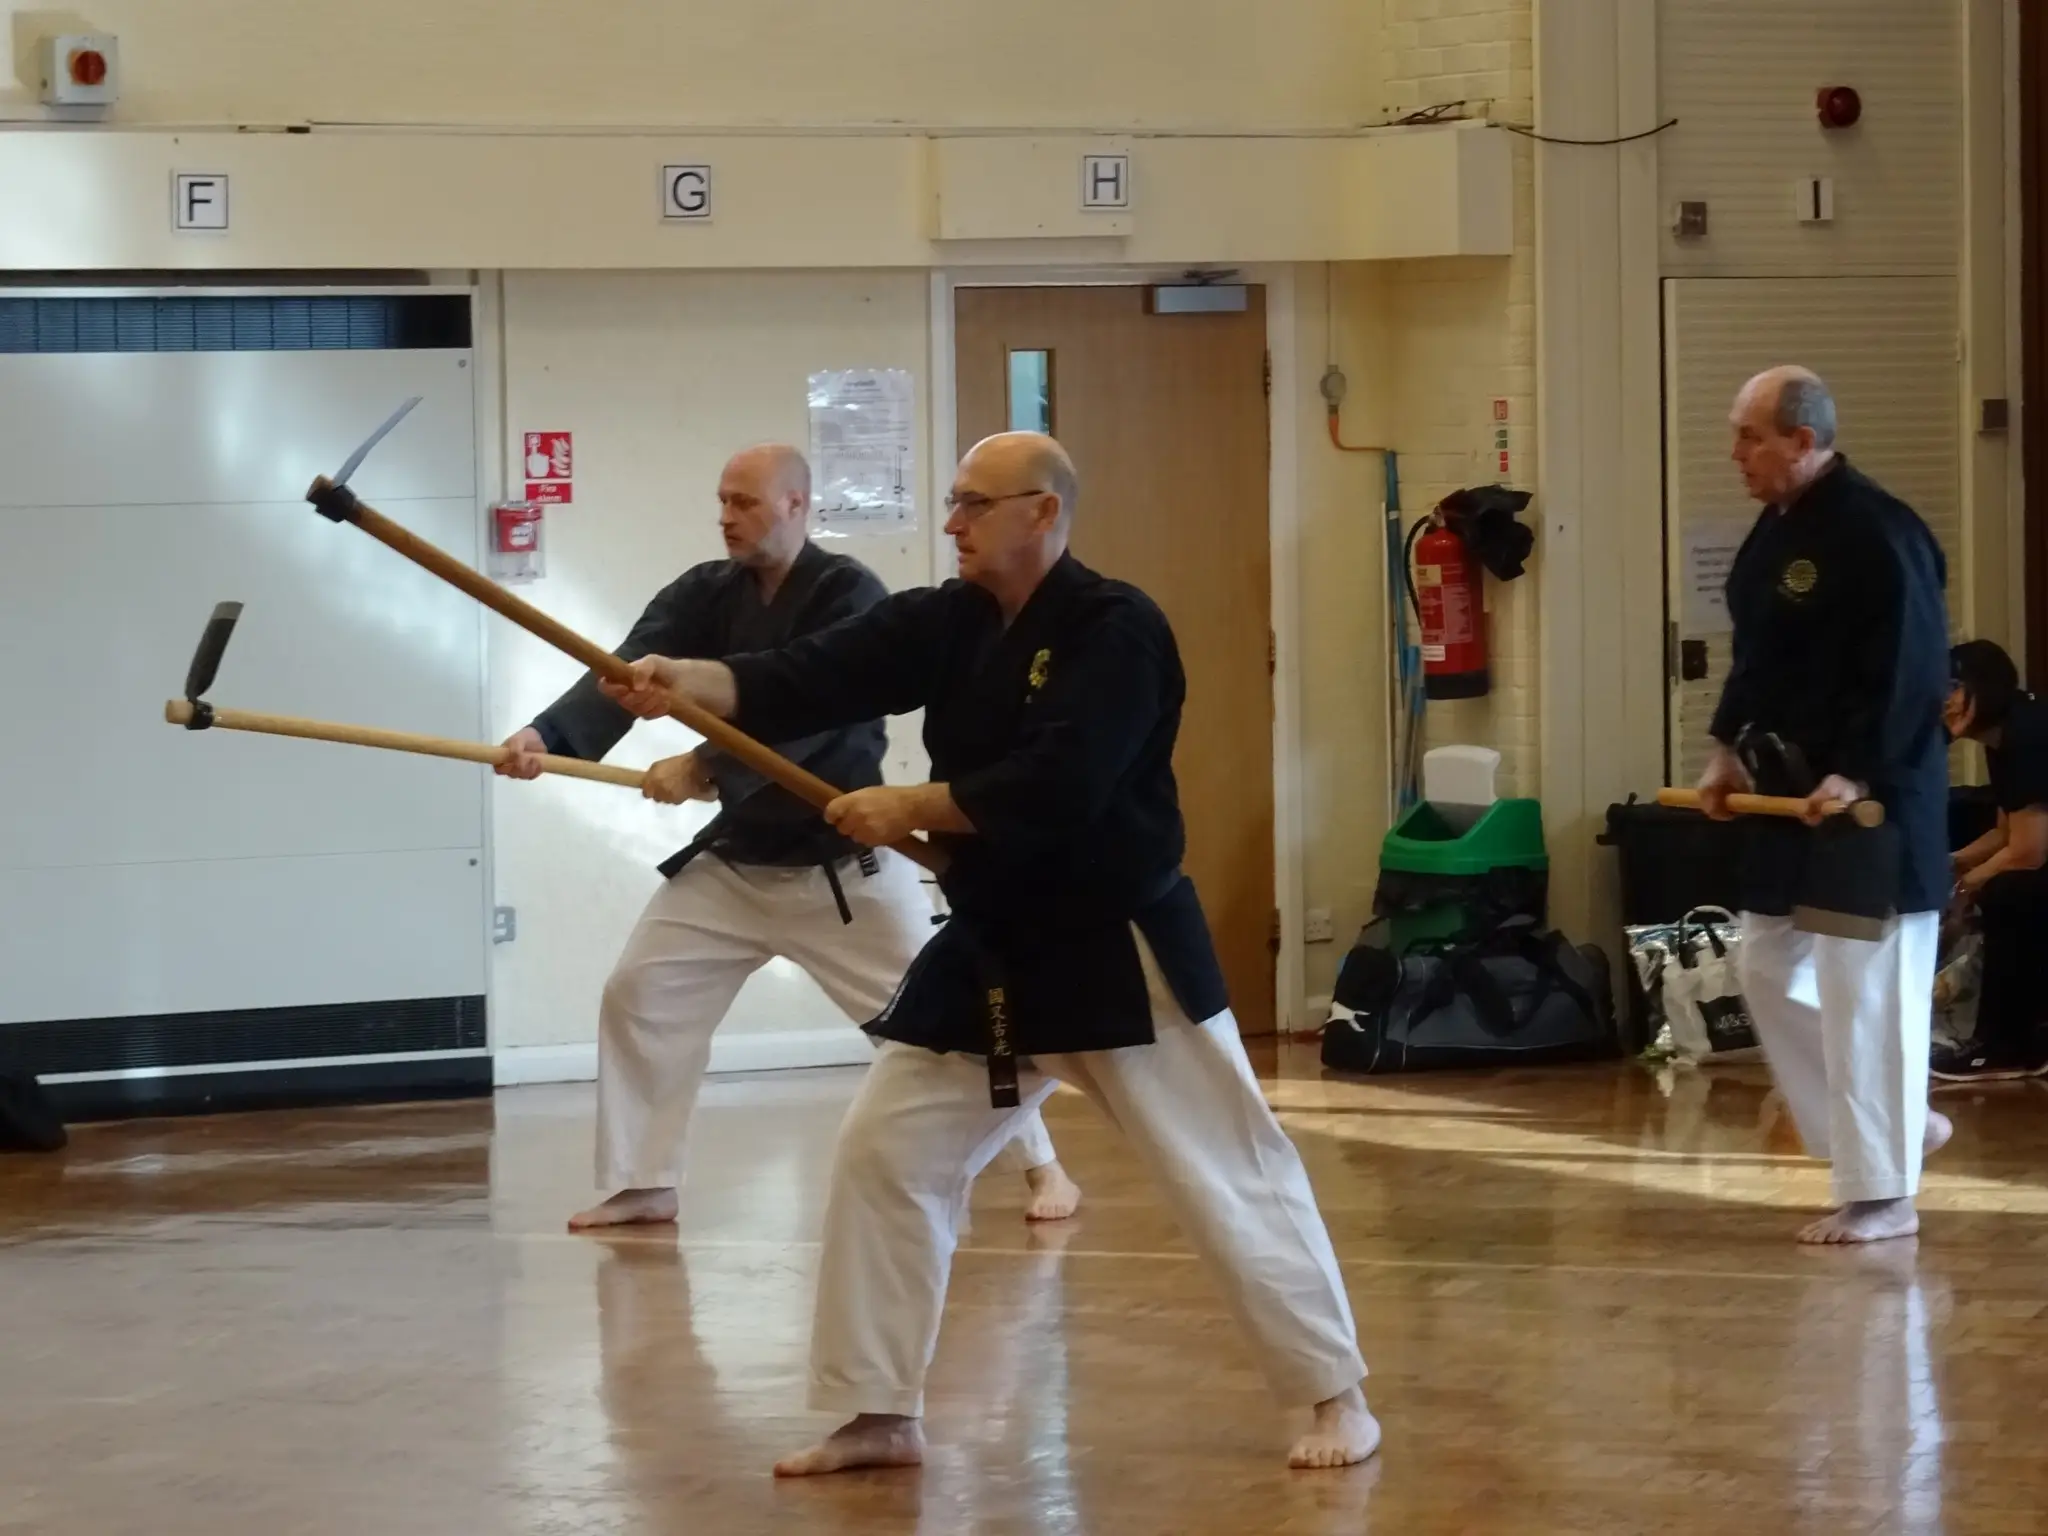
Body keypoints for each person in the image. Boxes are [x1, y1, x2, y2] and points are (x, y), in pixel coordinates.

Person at [603, 431, 1376, 1475]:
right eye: (953, 503)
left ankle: (1335, 1395)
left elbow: (1063, 782)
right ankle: (877, 1410)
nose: (951, 523)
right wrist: (683, 680)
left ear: (1041, 513)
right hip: (992, 945)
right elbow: (808, 675)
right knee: (886, 1154)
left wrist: (911, 804)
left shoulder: (1116, 628)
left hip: (1114, 944)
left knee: (1223, 1169)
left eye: (972, 504)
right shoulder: (949, 620)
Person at [499, 443, 1080, 1232]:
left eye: (745, 502)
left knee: (948, 1022)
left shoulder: (849, 594)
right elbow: (628, 670)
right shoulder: (705, 593)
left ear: (799, 506)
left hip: (843, 866)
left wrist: (705, 764)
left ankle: (1044, 1165)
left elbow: (818, 705)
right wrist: (546, 736)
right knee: (642, 994)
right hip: (738, 862)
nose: (727, 517)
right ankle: (644, 1180)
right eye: (723, 501)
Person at [1698, 367, 1952, 1246]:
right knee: (1767, 964)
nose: (1735, 455)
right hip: (1788, 793)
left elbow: (1914, 672)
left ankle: (1884, 1192)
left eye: (1749, 437)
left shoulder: (1881, 534)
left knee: (1865, 990)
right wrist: (1725, 748)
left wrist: (1860, 772)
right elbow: (1756, 656)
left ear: (1803, 442)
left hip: (1871, 801)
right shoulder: (1774, 534)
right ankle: (1896, 1124)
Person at [1935, 638, 2048, 1079]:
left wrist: (1968, 886)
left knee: (2010, 893)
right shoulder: (2006, 735)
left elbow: (2029, 851)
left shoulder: (2028, 734)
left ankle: (2008, 1045)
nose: (1945, 701)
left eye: (1954, 687)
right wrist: (1955, 863)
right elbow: (2007, 831)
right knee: (2001, 885)